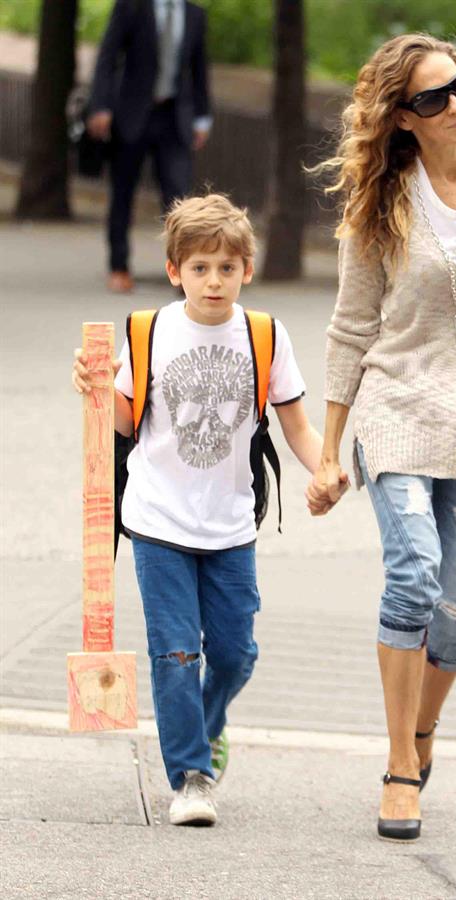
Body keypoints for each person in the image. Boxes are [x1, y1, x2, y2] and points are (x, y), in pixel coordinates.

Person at [307, 34, 456, 841]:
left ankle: (423, 730)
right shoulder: (384, 202)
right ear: (403, 118)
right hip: (396, 405)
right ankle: (400, 767)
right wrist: (330, 452)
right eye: (435, 98)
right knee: (415, 572)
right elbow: (350, 330)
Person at [72, 193, 345, 826]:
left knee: (234, 655)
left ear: (246, 269)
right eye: (200, 268)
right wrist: (90, 388)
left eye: (226, 267)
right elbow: (121, 422)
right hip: (157, 520)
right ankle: (192, 776)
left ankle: (210, 719)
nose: (213, 280)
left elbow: (298, 428)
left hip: (229, 525)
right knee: (174, 653)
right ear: (174, 271)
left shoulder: (264, 335)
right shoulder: (149, 332)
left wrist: (325, 469)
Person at [86, 0, 212, 293]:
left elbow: (199, 67)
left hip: (174, 118)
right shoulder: (132, 7)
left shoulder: (194, 14)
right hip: (132, 115)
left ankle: (186, 271)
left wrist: (203, 117)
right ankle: (119, 266)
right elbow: (107, 56)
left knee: (180, 198)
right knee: (123, 193)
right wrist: (100, 106)